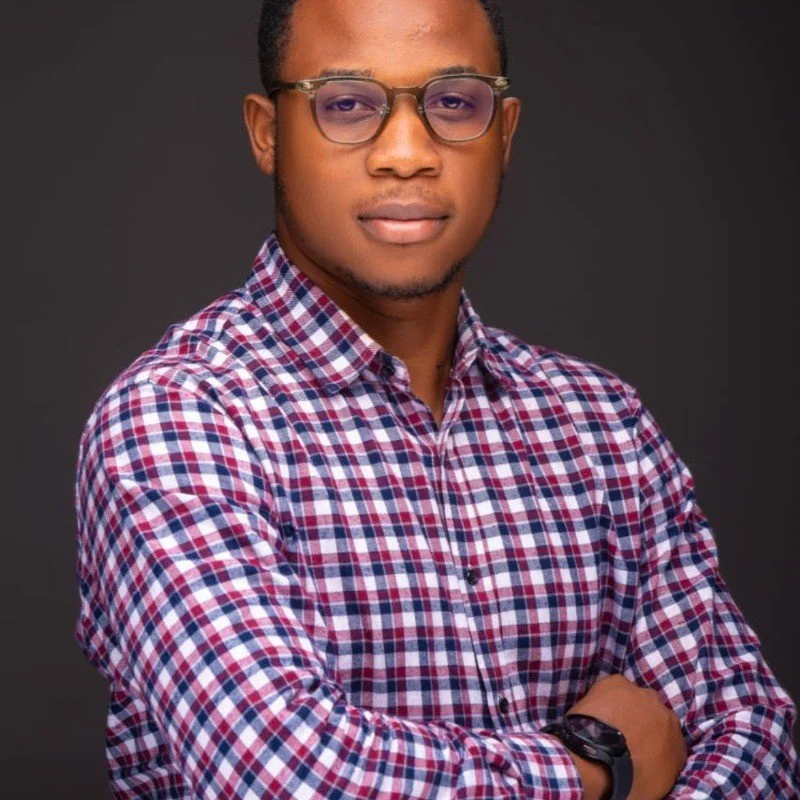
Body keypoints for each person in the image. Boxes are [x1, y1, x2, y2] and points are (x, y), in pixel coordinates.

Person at [74, 0, 799, 797]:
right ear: (267, 133)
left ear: (506, 133)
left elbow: (750, 733)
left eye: (455, 102)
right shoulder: (179, 420)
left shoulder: (602, 424)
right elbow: (292, 777)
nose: (408, 153)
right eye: (346, 103)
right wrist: (595, 764)